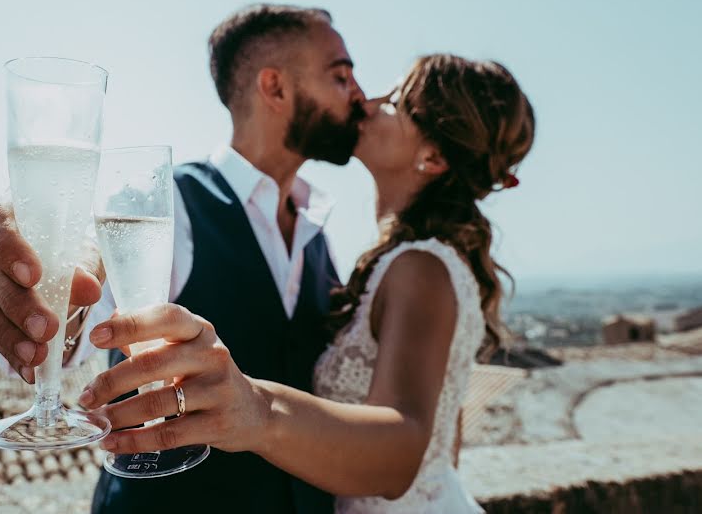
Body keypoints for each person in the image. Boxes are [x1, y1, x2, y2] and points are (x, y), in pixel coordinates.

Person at [0, 3, 366, 514]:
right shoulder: (166, 205)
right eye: (342, 76)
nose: (360, 95)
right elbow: (94, 262)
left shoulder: (315, 229)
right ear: (276, 88)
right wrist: (46, 279)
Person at [78, 54, 536, 513]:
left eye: (396, 101)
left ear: (433, 157)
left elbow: (409, 445)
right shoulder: (376, 258)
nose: (368, 101)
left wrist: (256, 408)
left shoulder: (421, 267)